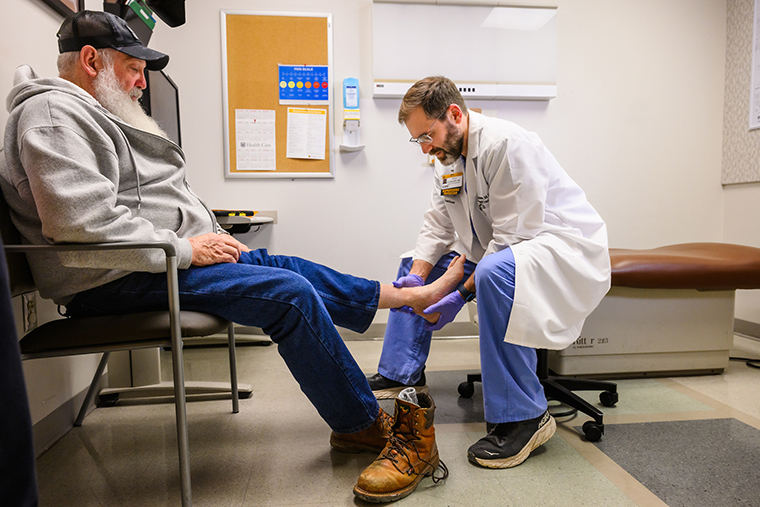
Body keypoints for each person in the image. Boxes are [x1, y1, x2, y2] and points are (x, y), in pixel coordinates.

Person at [0, 11, 458, 502]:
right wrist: (187, 247)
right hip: (110, 278)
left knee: (278, 266)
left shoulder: (86, 112)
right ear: (92, 60)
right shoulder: (51, 114)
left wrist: (211, 235)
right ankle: (362, 424)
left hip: (145, 261)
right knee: (291, 296)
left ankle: (404, 299)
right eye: (133, 68)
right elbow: (79, 225)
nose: (140, 82)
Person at [366, 76, 611, 469]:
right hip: (500, 246)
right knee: (413, 261)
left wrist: (457, 294)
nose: (426, 148)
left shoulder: (507, 145)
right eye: (418, 141)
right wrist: (418, 275)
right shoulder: (447, 157)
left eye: (427, 135)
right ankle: (401, 373)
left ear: (455, 114)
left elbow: (515, 237)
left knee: (495, 272)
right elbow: (438, 224)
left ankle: (525, 417)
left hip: (560, 248)